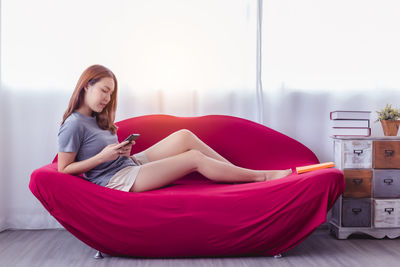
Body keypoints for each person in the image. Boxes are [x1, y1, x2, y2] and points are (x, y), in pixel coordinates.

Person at [58, 65, 292, 193]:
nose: (108, 98)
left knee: (184, 136)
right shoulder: (74, 124)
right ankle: (261, 177)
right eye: (104, 90)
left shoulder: (98, 118)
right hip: (116, 179)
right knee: (193, 158)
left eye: (111, 93)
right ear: (87, 86)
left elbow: (108, 152)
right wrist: (101, 158)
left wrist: (122, 151)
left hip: (127, 164)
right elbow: (64, 169)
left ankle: (235, 173)